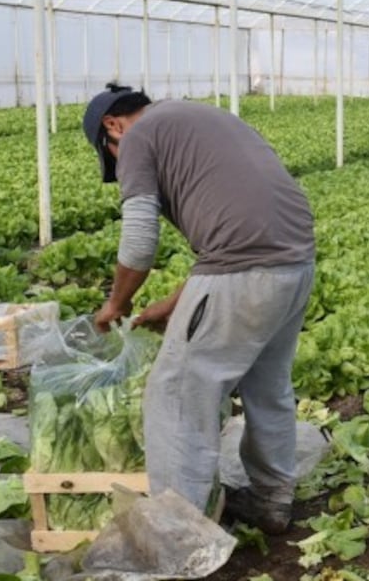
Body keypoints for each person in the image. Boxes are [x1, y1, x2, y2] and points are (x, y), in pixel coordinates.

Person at [81, 82, 315, 535]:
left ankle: (179, 532)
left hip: (243, 271)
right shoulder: (200, 117)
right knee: (268, 387)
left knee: (176, 393)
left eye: (110, 153)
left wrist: (116, 304)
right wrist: (173, 304)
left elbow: (139, 241)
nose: (117, 161)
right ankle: (271, 500)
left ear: (113, 125)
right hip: (295, 265)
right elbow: (236, 235)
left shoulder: (138, 136)